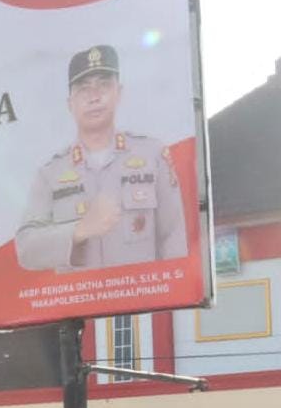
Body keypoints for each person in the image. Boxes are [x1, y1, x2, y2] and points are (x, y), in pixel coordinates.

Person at [16, 44, 187, 272]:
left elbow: (173, 238)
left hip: (139, 302)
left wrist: (169, 304)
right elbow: (27, 249)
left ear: (119, 92)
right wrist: (80, 230)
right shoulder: (50, 173)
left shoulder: (152, 155)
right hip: (80, 306)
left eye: (103, 85)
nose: (94, 97)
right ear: (70, 104)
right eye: (84, 89)